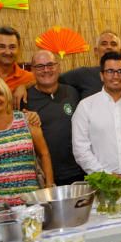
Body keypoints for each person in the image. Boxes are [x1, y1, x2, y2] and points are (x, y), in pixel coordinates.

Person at [0, 75, 54, 205]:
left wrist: (48, 190)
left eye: (0, 93)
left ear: (7, 96)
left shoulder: (27, 120)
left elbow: (44, 154)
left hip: (33, 203)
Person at [72, 51, 121, 186]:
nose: (115, 76)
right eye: (110, 71)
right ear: (102, 75)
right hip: (101, 182)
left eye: (120, 71)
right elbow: (81, 149)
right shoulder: (86, 106)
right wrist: (105, 176)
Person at [26, 50, 84, 186]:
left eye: (50, 65)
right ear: (32, 70)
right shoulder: (24, 99)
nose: (46, 70)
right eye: (40, 66)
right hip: (47, 176)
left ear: (58, 67)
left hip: (79, 171)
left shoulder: (72, 92)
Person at [61, 29, 121, 98]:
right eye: (104, 44)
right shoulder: (82, 74)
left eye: (113, 44)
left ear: (120, 51)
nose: (109, 47)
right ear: (96, 51)